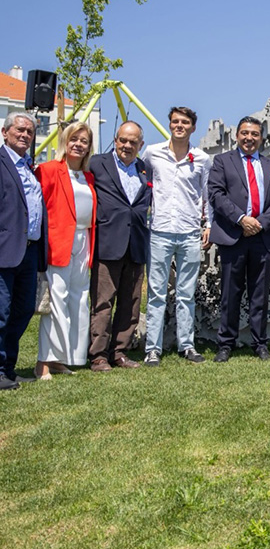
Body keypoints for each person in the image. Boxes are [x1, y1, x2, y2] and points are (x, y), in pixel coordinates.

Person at [209, 117, 270, 362]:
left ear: (261, 138)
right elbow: (216, 195)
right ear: (237, 135)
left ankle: (260, 344)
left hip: (262, 238)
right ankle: (225, 344)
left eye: (254, 134)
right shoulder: (222, 162)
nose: (249, 138)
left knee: (259, 294)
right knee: (230, 294)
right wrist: (242, 219)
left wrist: (259, 222)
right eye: (244, 133)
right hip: (233, 235)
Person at [142, 107, 211, 366]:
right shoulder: (152, 153)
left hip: (190, 231)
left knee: (186, 293)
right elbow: (144, 187)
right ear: (169, 125)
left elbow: (207, 196)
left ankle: (187, 346)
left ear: (193, 127)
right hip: (159, 231)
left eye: (184, 122)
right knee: (156, 293)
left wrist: (209, 225)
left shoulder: (202, 159)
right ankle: (152, 349)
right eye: (175, 122)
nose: (179, 126)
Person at [33, 122, 97, 379]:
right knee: (56, 301)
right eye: (75, 139)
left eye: (84, 140)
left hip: (83, 242)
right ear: (65, 141)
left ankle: (64, 357)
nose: (79, 144)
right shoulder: (48, 170)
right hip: (59, 243)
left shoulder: (87, 176)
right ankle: (44, 361)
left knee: (78, 300)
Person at [88, 121, 152, 372]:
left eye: (133, 142)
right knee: (103, 302)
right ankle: (98, 355)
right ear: (115, 140)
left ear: (140, 145)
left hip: (136, 244)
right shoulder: (97, 163)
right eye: (123, 140)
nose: (127, 145)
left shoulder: (144, 169)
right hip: (108, 242)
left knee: (131, 302)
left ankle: (120, 351)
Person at [0, 112, 45, 390]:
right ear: (5, 132)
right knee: (1, 313)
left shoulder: (28, 166)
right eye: (20, 129)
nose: (25, 135)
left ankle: (8, 368)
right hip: (5, 250)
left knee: (23, 310)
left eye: (29, 131)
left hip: (29, 251)